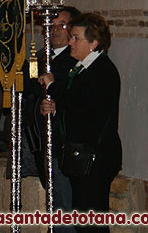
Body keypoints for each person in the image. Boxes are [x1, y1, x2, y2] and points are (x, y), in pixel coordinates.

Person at [40, 13, 122, 233]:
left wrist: (52, 86)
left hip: (95, 156)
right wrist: (56, 108)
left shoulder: (101, 70)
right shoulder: (85, 68)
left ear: (93, 43)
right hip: (83, 154)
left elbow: (79, 103)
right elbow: (84, 107)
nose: (70, 42)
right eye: (71, 37)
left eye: (76, 38)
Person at [23, 6, 80, 232]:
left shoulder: (73, 60)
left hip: (61, 142)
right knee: (53, 200)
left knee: (63, 202)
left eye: (62, 25)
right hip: (40, 140)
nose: (55, 30)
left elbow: (52, 89)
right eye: (51, 26)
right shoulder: (42, 56)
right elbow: (29, 84)